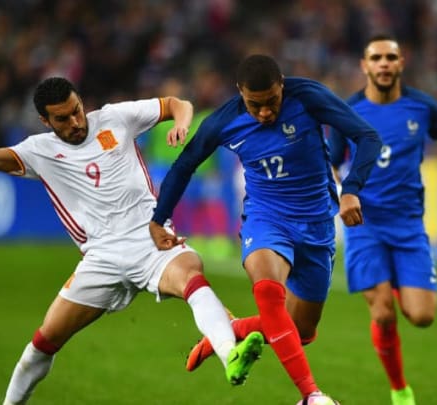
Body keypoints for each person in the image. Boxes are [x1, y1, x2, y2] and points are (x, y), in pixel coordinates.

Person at [0, 65, 264, 405]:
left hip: (151, 239)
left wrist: (180, 123)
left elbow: (177, 104)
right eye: (62, 119)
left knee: (192, 278)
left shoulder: (115, 118)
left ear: (81, 101)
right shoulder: (38, 150)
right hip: (101, 259)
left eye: (76, 111)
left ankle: (229, 355)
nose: (75, 123)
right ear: (46, 122)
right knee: (42, 345)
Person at [148, 54, 383, 405]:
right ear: (240, 92)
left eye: (272, 102)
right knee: (268, 291)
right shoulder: (223, 122)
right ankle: (311, 396)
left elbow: (367, 137)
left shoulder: (308, 97)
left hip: (317, 223)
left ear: (283, 85)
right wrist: (158, 219)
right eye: (254, 105)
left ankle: (228, 332)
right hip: (266, 218)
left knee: (300, 331)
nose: (264, 113)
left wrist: (350, 190)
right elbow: (184, 166)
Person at [328, 35, 437, 405]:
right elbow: (331, 162)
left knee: (421, 316)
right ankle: (400, 390)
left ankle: (397, 280)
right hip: (365, 225)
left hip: (408, 225)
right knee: (384, 313)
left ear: (401, 63)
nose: (384, 64)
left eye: (391, 57)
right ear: (364, 65)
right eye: (376, 58)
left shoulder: (422, 107)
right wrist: (344, 193)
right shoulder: (347, 111)